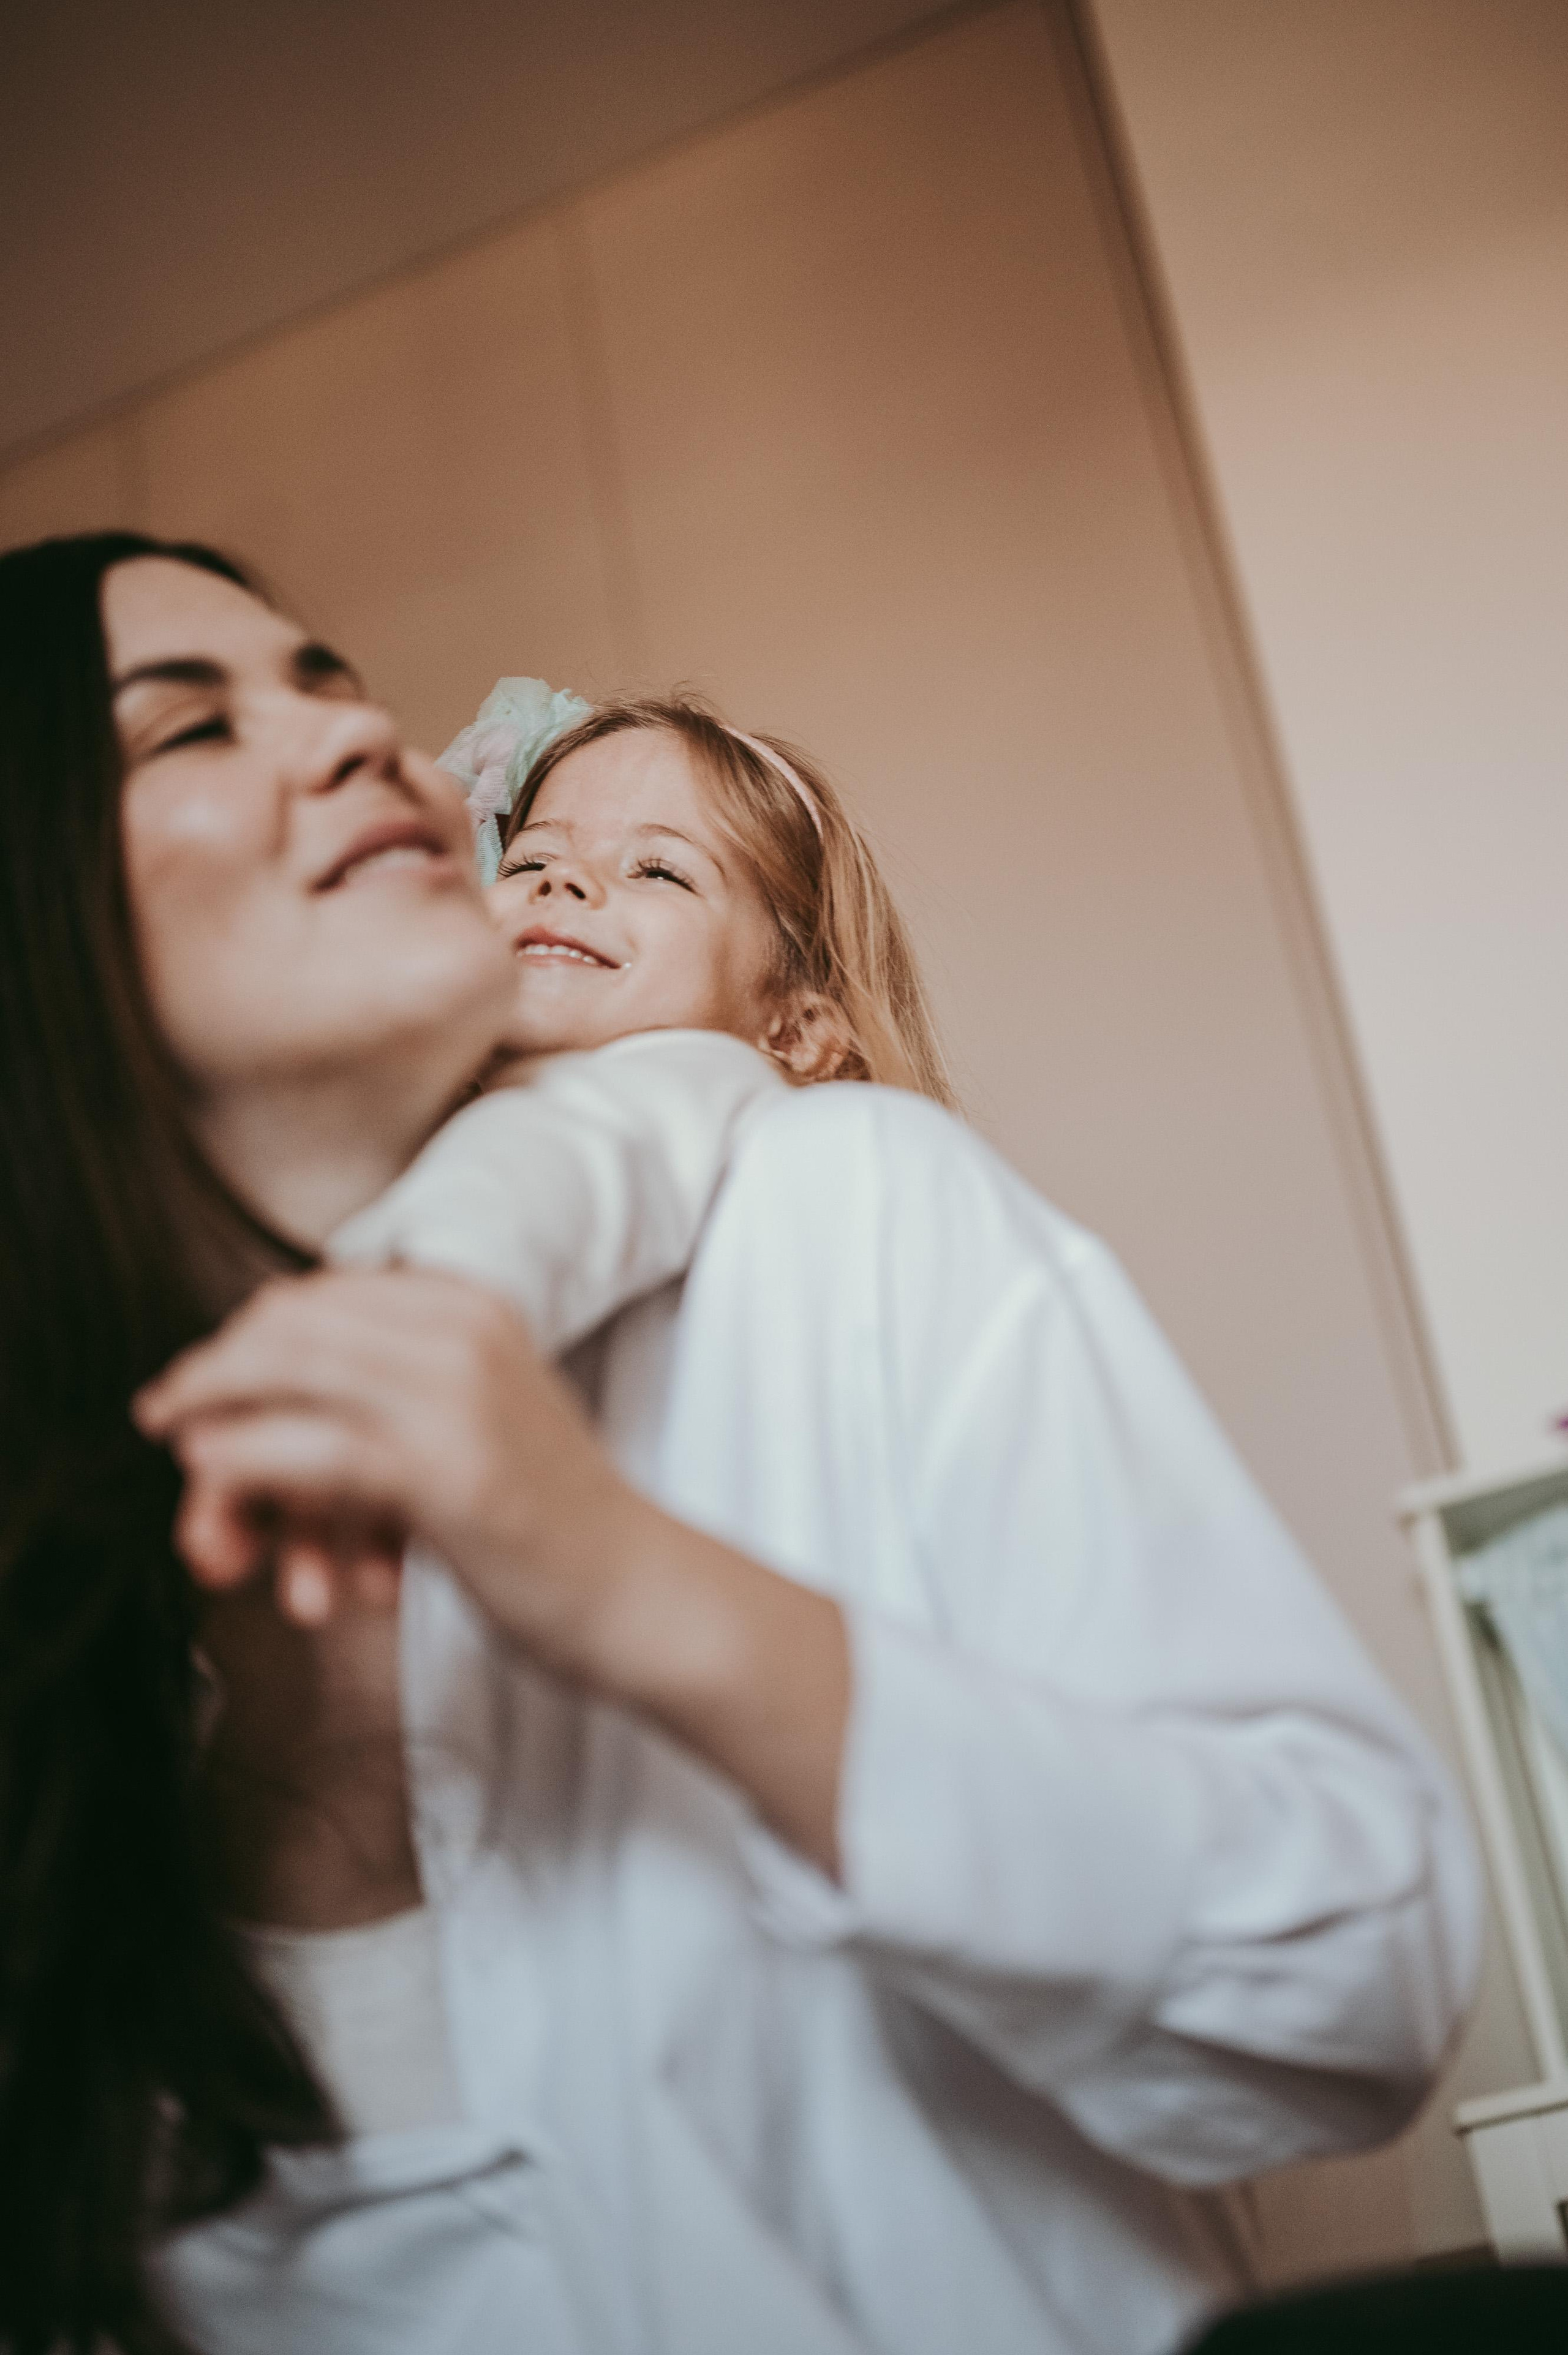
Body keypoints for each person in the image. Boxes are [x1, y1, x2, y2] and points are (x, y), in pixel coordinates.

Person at [0, 531, 1479, 2355]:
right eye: (189, 731)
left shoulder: (845, 1210)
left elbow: (1359, 1982)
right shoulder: (67, 1647)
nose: (360, 736)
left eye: (327, 680)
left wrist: (621, 1579)